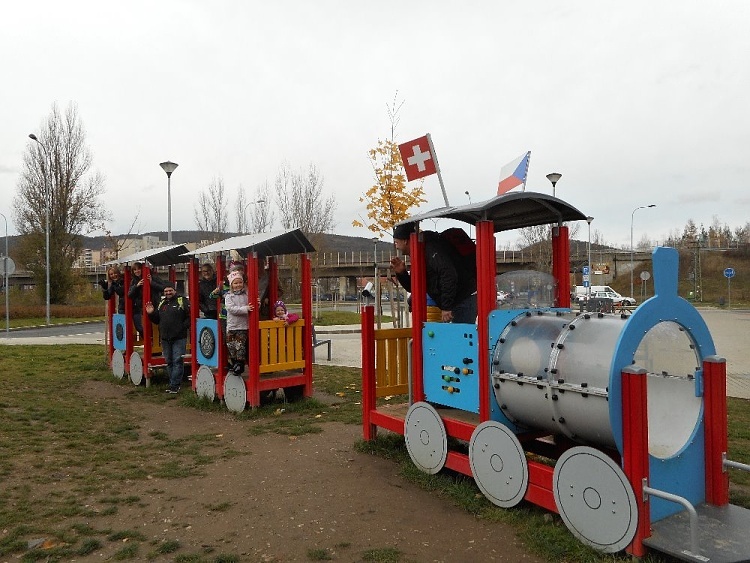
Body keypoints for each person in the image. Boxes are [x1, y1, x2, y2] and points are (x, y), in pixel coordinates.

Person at [390, 223, 477, 324]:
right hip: (457, 300)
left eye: (396, 242)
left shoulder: (430, 249)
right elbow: (415, 287)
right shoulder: (419, 252)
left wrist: (446, 307)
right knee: (454, 333)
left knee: (460, 333)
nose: (396, 246)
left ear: (405, 241)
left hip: (462, 298)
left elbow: (448, 274)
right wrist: (401, 273)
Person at [145, 284, 191, 394]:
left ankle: (175, 385)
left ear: (175, 290)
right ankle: (172, 383)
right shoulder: (162, 303)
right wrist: (151, 313)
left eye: (170, 290)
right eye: (166, 291)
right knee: (169, 361)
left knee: (177, 361)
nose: (168, 293)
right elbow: (157, 320)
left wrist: (182, 327)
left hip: (179, 337)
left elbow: (189, 316)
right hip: (165, 338)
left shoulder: (182, 301)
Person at [224, 270, 254, 376]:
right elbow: (231, 309)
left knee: (240, 345)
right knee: (230, 345)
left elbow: (252, 306)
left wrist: (256, 304)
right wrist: (245, 308)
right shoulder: (229, 296)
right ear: (231, 285)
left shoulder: (246, 295)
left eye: (240, 282)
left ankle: (240, 365)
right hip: (232, 325)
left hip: (242, 325)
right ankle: (234, 363)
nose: (238, 285)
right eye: (235, 283)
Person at [128, 261, 168, 339]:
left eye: (139, 269)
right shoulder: (134, 281)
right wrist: (136, 286)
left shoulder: (152, 277)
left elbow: (164, 288)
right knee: (145, 326)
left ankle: (159, 341)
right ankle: (150, 340)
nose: (137, 271)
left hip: (155, 305)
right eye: (135, 270)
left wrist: (151, 283)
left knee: (158, 325)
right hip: (143, 307)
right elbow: (129, 295)